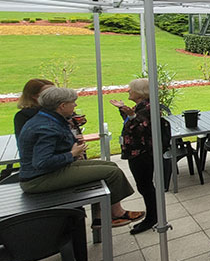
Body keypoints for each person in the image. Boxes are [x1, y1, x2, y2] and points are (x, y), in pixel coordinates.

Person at [18, 87, 141, 227]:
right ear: (62, 106)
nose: (75, 105)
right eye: (73, 102)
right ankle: (110, 216)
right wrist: (72, 154)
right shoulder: (47, 127)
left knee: (111, 165)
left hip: (49, 171)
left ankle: (113, 212)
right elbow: (42, 162)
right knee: (112, 173)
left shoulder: (48, 118)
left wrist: (72, 142)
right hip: (40, 178)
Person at [109, 79, 158, 234]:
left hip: (142, 154)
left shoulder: (149, 107)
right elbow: (130, 124)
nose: (128, 90)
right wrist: (124, 111)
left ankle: (152, 218)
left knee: (146, 186)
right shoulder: (141, 106)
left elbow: (141, 127)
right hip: (136, 153)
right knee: (144, 186)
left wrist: (131, 115)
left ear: (140, 92)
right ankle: (153, 216)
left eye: (131, 89)